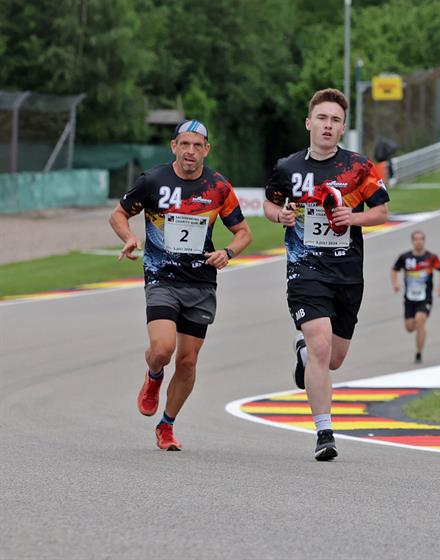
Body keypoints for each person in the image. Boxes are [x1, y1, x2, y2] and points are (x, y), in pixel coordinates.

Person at [264, 88, 390, 461]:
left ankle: (303, 354)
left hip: (347, 272)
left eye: (335, 120)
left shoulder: (358, 168)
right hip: (305, 269)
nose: (327, 126)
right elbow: (271, 204)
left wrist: (354, 217)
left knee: (332, 358)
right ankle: (324, 433)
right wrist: (280, 216)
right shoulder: (288, 168)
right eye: (322, 118)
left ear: (342, 127)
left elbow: (382, 212)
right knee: (321, 345)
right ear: (309, 122)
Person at [111, 120, 252, 451]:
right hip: (162, 277)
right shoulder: (154, 181)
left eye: (197, 145)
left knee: (188, 362)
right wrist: (130, 236)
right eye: (184, 144)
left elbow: (243, 232)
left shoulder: (218, 187)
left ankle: (167, 425)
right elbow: (118, 214)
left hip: (201, 283)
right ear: (174, 146)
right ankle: (154, 375)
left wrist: (227, 252)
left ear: (207, 149)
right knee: (163, 349)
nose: (191, 151)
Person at [391, 230, 440, 364]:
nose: (419, 241)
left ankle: (418, 353)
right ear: (412, 241)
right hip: (409, 298)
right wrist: (395, 283)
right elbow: (394, 270)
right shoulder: (405, 257)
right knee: (410, 328)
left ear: (424, 241)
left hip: (425, 297)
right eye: (416, 239)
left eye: (421, 239)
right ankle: (417, 327)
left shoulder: (431, 257)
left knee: (420, 320)